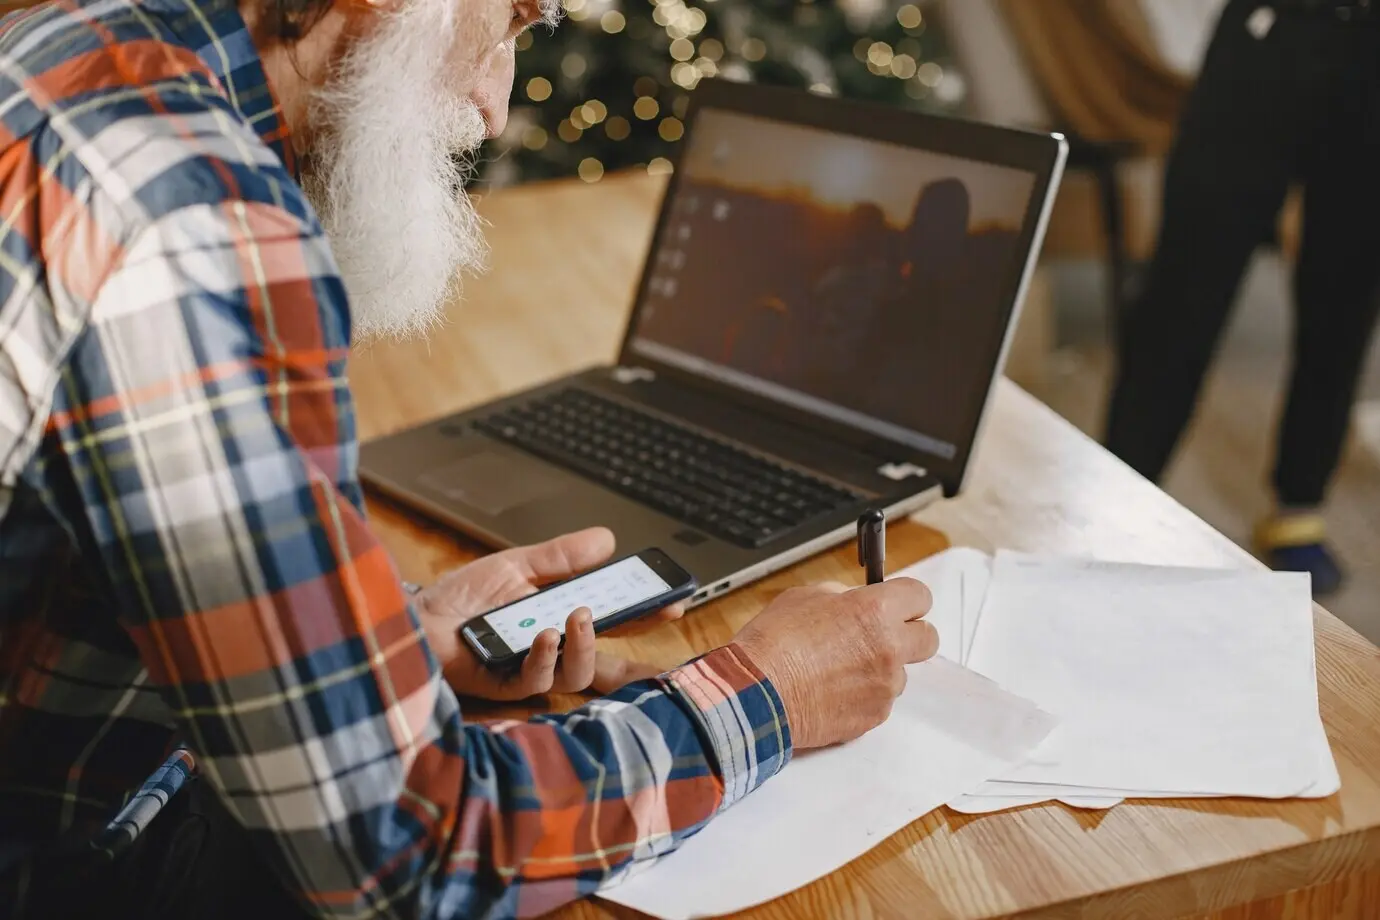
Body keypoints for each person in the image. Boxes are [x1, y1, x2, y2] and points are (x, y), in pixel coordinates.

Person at [0, 0, 940, 917]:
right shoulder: (198, 231)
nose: (496, 105)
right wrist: (772, 690)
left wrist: (384, 642)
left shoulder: (68, 40)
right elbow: (412, 849)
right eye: (513, 22)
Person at [1104, 0, 1380, 595]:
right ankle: (1120, 484)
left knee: (1346, 296)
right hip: (1268, 32)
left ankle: (1300, 505)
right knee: (1185, 286)